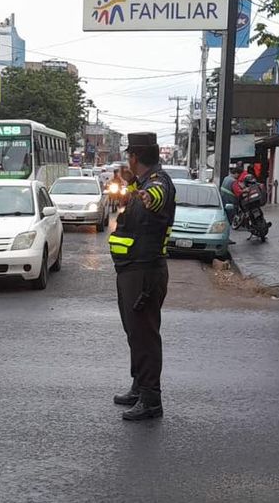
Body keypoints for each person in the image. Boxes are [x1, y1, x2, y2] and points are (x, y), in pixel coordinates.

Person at [109, 132, 176, 421]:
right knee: (134, 333)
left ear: (135, 156)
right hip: (131, 270)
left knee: (145, 335)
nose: (127, 160)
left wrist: (138, 191)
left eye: (128, 156)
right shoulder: (143, 181)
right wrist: (130, 183)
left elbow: (155, 198)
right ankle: (139, 386)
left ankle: (151, 400)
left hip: (145, 271)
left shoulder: (158, 183)